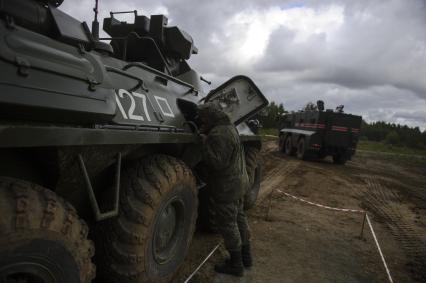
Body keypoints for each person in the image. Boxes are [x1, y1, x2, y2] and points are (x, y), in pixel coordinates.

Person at [197, 102, 252, 277]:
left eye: (204, 118)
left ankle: (236, 265)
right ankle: (246, 256)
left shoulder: (218, 133)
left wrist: (204, 143)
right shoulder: (229, 127)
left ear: (211, 117)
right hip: (239, 183)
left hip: (227, 188)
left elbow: (216, 163)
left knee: (228, 224)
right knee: (239, 218)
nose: (201, 120)